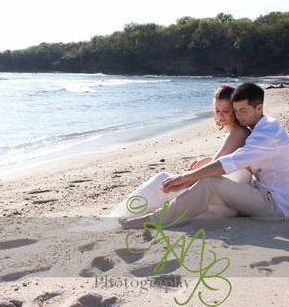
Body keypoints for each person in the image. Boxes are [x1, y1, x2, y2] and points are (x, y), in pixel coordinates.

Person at [119, 82, 289, 229]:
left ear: (259, 108)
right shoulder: (264, 127)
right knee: (198, 183)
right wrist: (202, 167)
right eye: (236, 111)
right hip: (266, 194)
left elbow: (227, 164)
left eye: (242, 111)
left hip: (278, 207)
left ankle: (153, 220)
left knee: (208, 182)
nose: (238, 116)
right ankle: (139, 214)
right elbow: (240, 161)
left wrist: (185, 177)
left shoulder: (266, 135)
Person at [107, 85, 252, 219]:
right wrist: (207, 160)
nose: (220, 116)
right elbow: (228, 161)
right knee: (165, 185)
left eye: (226, 111)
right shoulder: (237, 132)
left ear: (236, 110)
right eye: (217, 111)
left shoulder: (238, 133)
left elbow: (215, 170)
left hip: (224, 204)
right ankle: (122, 216)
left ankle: (115, 218)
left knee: (163, 181)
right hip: (221, 196)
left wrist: (184, 181)